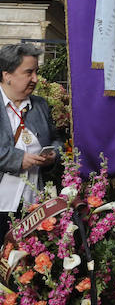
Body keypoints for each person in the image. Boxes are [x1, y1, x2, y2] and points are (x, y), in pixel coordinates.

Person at [0, 44, 61, 240]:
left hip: (34, 205)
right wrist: (18, 159)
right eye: (28, 72)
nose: (35, 79)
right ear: (7, 75)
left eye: (36, 72)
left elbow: (56, 139)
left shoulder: (40, 105)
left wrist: (54, 155)